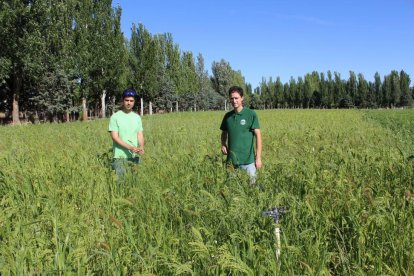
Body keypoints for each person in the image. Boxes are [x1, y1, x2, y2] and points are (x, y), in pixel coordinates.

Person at [220, 86, 262, 183]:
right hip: (231, 162)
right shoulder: (227, 117)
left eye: (236, 98)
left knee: (252, 187)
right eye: (232, 98)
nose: (234, 101)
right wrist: (223, 143)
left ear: (242, 98)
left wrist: (258, 158)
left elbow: (258, 136)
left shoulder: (251, 114)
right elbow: (224, 132)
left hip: (248, 162)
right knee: (232, 188)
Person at [108, 89, 144, 180]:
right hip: (120, 157)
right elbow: (114, 137)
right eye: (127, 100)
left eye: (131, 101)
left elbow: (139, 134)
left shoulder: (137, 117)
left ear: (134, 102)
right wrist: (130, 148)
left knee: (134, 182)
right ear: (123, 101)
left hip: (135, 156)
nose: (129, 103)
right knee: (120, 183)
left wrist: (141, 147)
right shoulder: (115, 117)